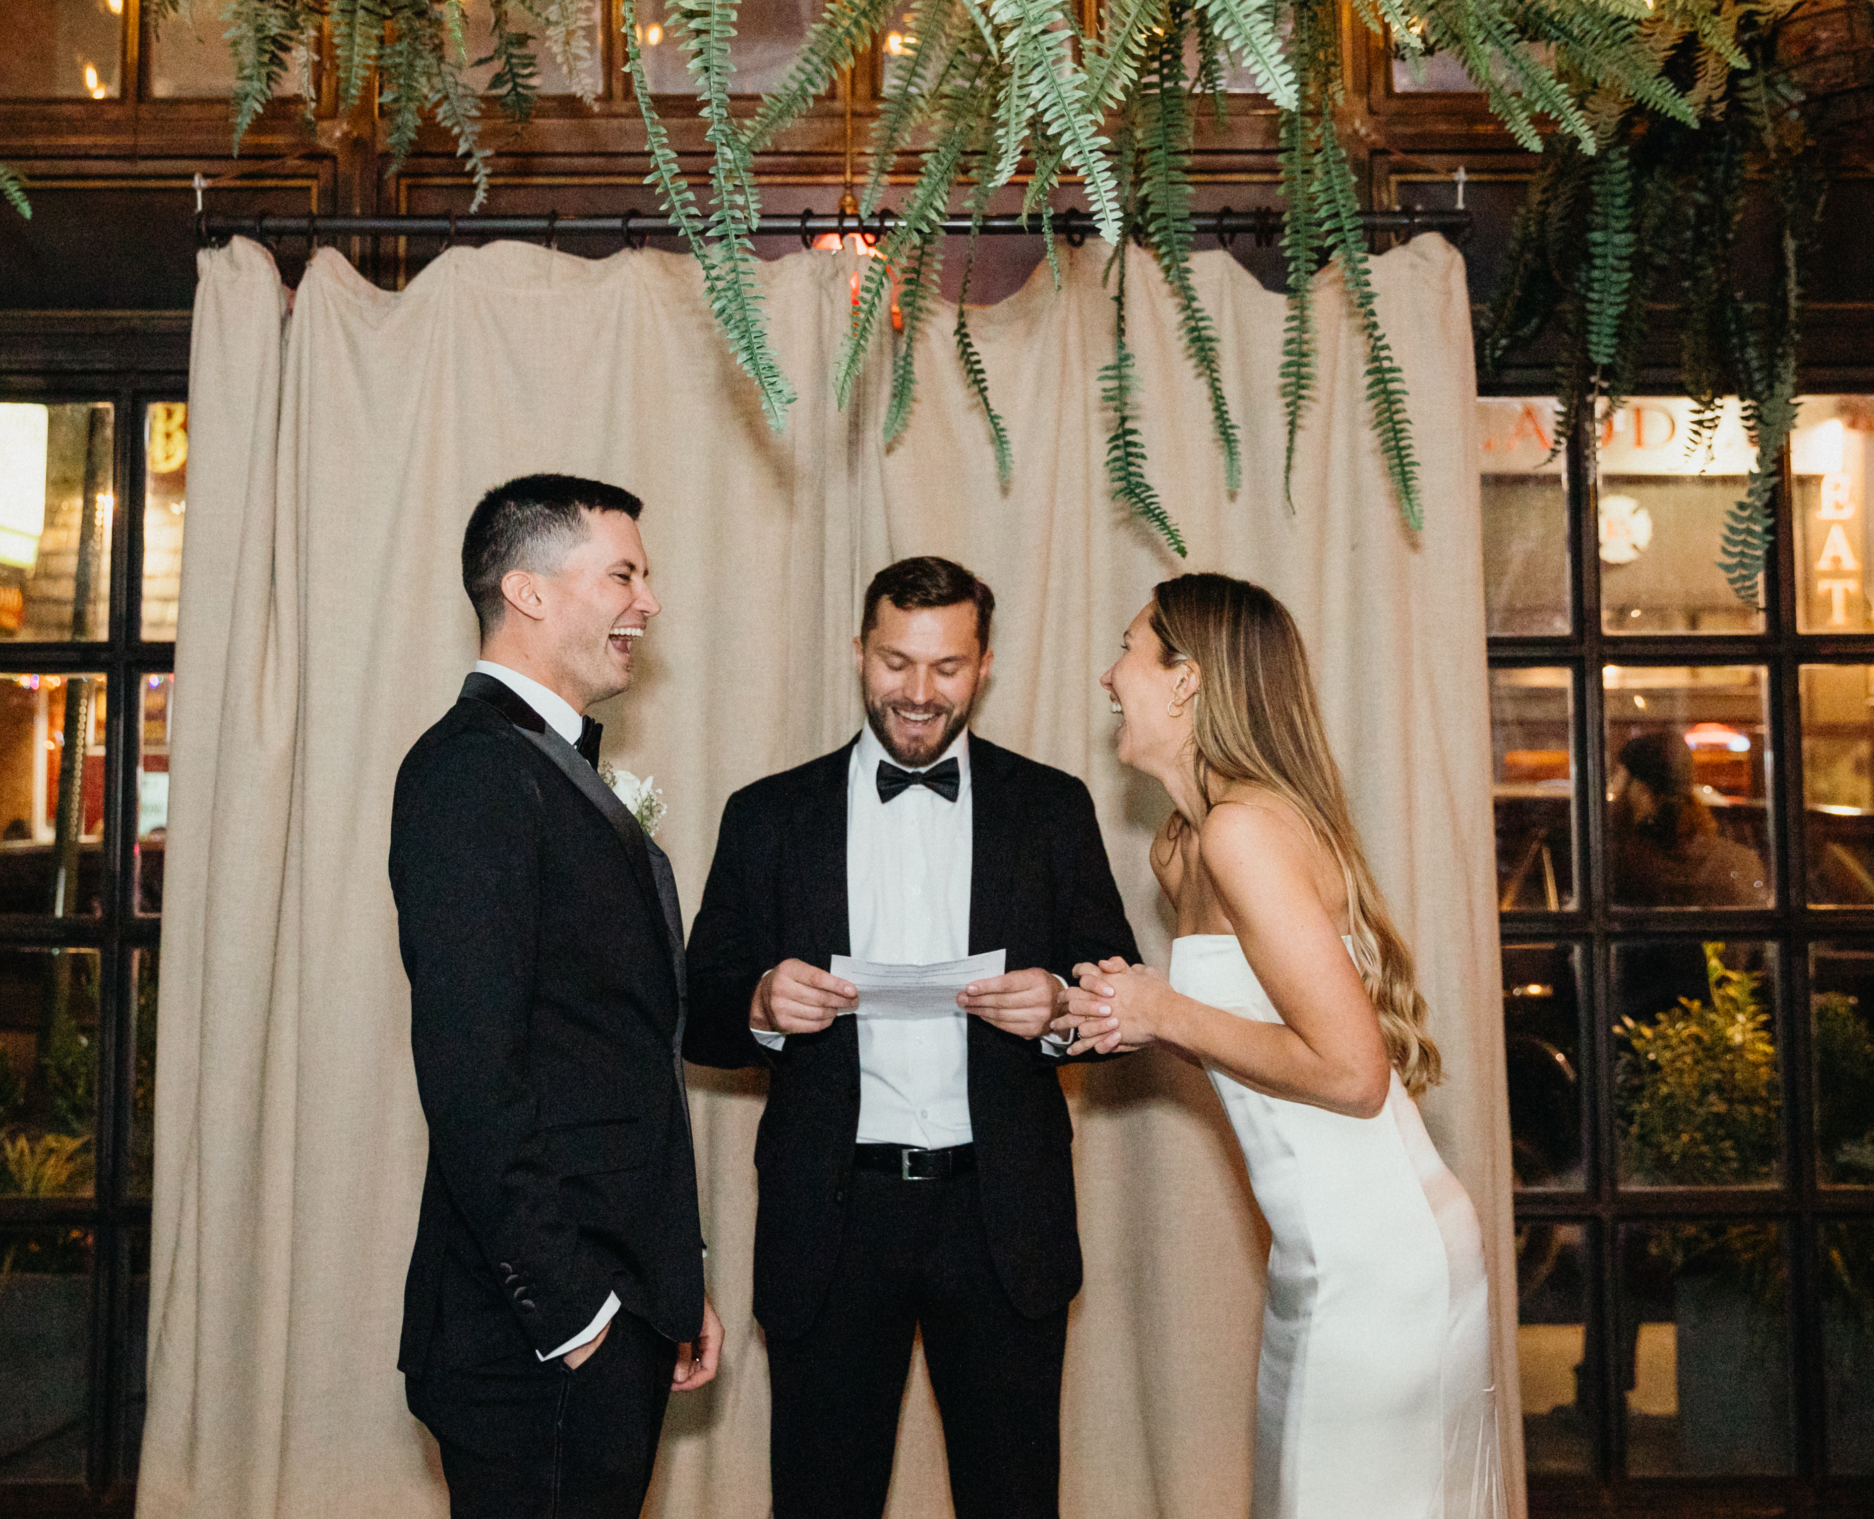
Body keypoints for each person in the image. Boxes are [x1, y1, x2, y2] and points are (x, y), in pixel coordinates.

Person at [683, 556, 1140, 1519]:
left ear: (983, 666)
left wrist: (1059, 1006)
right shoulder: (768, 813)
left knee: (1015, 1500)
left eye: (947, 667)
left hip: (1001, 1216)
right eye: (896, 662)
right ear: (859, 652)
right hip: (832, 1218)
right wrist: (762, 1003)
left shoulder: (1052, 807)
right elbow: (698, 1007)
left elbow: (1120, 995)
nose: (919, 694)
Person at [1064, 572, 1503, 1519]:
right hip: (1317, 1257)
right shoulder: (1182, 847)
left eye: (1130, 649)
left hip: (1381, 1264)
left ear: (1186, 680)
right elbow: (1253, 1040)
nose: (1109, 674)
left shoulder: (1242, 833)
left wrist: (1163, 1012)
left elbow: (1351, 1073)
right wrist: (1098, 1008)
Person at [388, 473, 722, 1519]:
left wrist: (674, 1272)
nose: (648, 603)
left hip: (614, 1292)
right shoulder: (473, 773)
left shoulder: (546, 764)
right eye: (623, 573)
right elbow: (473, 1069)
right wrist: (572, 1313)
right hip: (533, 1330)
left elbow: (608, 1053)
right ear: (528, 592)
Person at [1607, 730, 1769, 909]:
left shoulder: (1620, 864)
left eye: (1620, 780)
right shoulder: (1738, 861)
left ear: (1643, 792)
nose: (1615, 791)